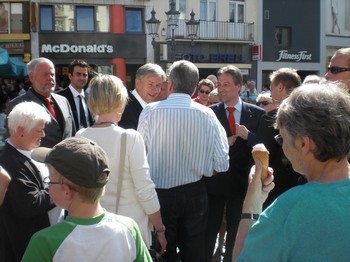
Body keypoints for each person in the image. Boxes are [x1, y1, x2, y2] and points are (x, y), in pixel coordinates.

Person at [233, 81, 350, 261]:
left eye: (282, 138)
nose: (282, 145)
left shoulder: (290, 208)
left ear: (304, 144)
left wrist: (251, 206)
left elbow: (241, 258)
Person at [138, 60, 229, 262]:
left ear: (169, 84)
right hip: (195, 192)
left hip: (159, 195)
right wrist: (203, 168)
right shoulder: (208, 115)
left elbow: (139, 159)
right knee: (194, 254)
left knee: (164, 252)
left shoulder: (150, 112)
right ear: (195, 86)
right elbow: (222, 163)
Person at [22, 136, 152, 262]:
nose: (48, 186)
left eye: (49, 180)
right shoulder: (128, 229)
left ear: (67, 191)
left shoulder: (44, 242)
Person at [76, 74, 167, 252]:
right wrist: (160, 229)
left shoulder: (80, 136)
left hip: (92, 227)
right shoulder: (130, 137)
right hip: (129, 229)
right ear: (120, 100)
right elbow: (145, 190)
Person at [205, 65, 265, 262]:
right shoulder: (209, 113)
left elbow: (264, 146)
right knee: (208, 233)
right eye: (219, 84)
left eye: (227, 85)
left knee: (236, 233)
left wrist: (249, 136)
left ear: (239, 86)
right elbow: (203, 147)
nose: (221, 89)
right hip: (214, 185)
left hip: (242, 187)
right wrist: (225, 142)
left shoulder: (256, 114)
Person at [0, 101, 64, 262]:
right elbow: (30, 203)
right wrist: (61, 186)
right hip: (30, 249)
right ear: (21, 131)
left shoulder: (29, 151)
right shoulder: (9, 162)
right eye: (39, 130)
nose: (43, 135)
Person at [256, 68, 303, 208]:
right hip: (304, 183)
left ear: (281, 87)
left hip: (274, 188)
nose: (270, 93)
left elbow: (262, 154)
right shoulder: (309, 115)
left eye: (272, 88)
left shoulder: (270, 118)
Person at [5, 57, 76, 148]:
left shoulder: (63, 101)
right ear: (31, 77)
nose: (50, 78)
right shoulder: (17, 105)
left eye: (52, 74)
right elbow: (13, 143)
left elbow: (72, 133)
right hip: (36, 160)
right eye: (45, 74)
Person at [119, 63, 166, 130]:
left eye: (158, 85)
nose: (154, 89)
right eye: (150, 84)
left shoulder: (155, 109)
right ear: (137, 83)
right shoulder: (125, 107)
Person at [56, 59, 93, 130]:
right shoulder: (59, 97)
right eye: (78, 74)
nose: (82, 78)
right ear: (70, 76)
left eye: (85, 75)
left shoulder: (90, 97)